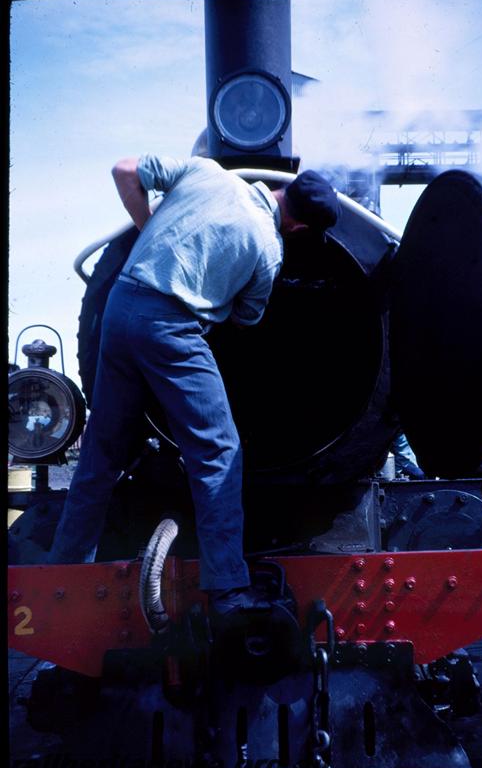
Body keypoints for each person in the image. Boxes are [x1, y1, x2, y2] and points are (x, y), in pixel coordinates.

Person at [49, 154, 339, 617]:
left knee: (101, 453)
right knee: (218, 453)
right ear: (300, 226)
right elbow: (248, 320)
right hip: (171, 329)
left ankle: (64, 576)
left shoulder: (206, 171)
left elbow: (123, 169)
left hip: (122, 307)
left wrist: (148, 231)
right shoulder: (268, 248)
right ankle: (227, 588)